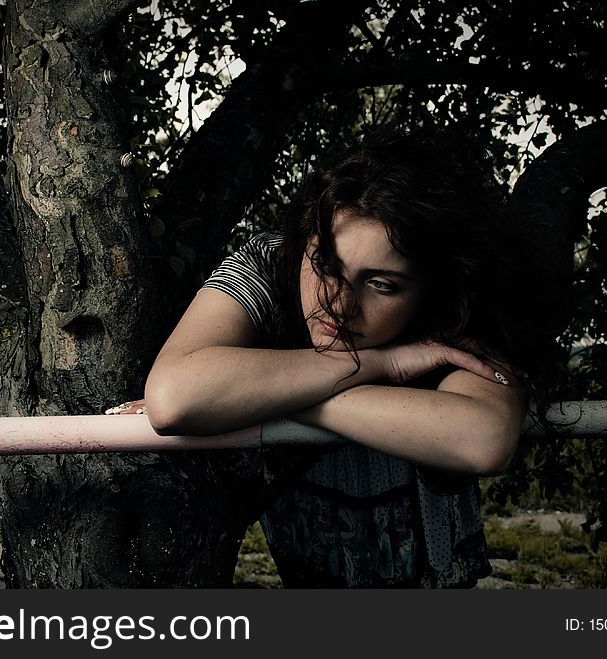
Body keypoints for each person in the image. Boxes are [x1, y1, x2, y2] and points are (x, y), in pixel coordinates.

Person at [110, 127, 553, 587]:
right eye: (325, 265)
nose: (337, 303)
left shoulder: (461, 307)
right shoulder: (270, 259)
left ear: (431, 291)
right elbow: (173, 396)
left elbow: (482, 438)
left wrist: (261, 394)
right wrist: (382, 365)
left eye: (381, 284)